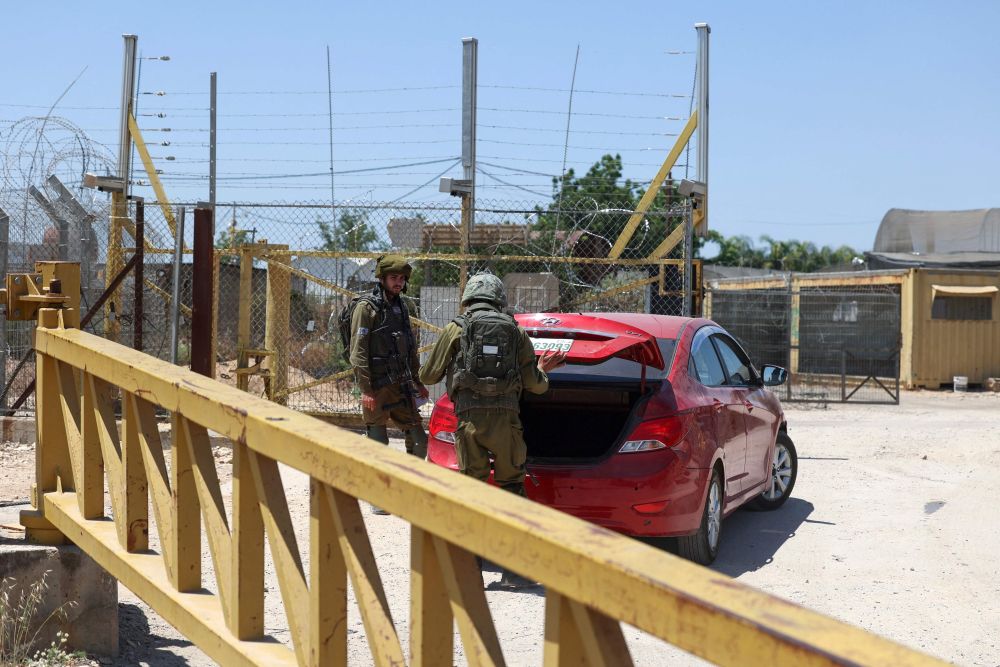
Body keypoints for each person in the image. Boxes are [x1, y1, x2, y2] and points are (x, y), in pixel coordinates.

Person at [419, 272, 566, 588]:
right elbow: (535, 386)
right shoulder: (515, 331)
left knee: (472, 491)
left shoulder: (455, 329)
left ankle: (468, 569)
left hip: (469, 422)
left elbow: (428, 376)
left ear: (468, 298)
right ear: (499, 298)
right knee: (512, 489)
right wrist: (543, 370)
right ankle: (514, 572)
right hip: (507, 424)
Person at [350, 254, 430, 514]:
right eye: (394, 278)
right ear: (382, 278)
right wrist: (365, 389)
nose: (398, 282)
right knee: (377, 441)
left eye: (402, 278)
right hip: (376, 386)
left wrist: (417, 381)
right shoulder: (367, 307)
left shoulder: (402, 307)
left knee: (419, 440)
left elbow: (410, 347)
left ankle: (408, 492)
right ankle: (379, 497)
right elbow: (358, 351)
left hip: (401, 384)